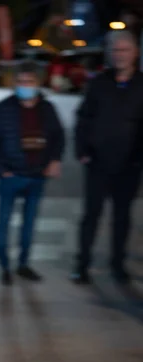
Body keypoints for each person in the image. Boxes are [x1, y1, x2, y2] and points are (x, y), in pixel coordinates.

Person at [72, 31, 143, 285]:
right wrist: (82, 151)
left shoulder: (141, 85)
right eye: (115, 50)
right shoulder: (99, 83)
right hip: (97, 163)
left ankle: (118, 265)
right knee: (91, 216)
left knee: (122, 218)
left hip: (129, 166)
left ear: (134, 53)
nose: (119, 55)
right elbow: (83, 118)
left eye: (124, 50)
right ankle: (82, 265)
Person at [0, 60, 65, 285]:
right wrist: (1, 170)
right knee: (3, 222)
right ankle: (4, 266)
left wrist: (54, 160)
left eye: (29, 81)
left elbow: (58, 137)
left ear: (38, 84)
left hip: (37, 175)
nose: (25, 85)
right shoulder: (4, 108)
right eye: (20, 82)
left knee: (29, 223)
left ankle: (23, 264)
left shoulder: (47, 109)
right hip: (11, 175)